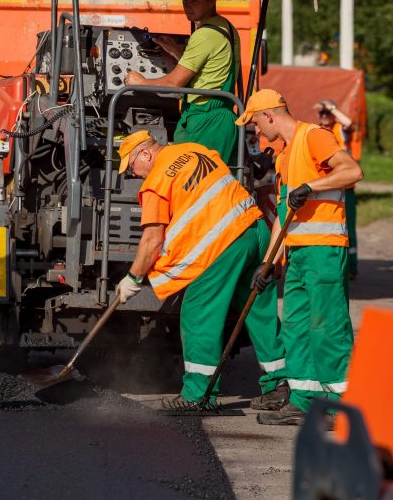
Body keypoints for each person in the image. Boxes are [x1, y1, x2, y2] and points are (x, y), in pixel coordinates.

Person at [114, 131, 289, 412]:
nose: (134, 174)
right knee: (258, 311)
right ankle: (280, 384)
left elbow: (152, 240)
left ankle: (198, 395)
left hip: (224, 244)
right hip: (255, 232)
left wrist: (133, 278)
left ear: (145, 154)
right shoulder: (195, 149)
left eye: (132, 166)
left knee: (198, 312)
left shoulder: (157, 181)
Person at [235, 90, 363, 426]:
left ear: (270, 115)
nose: (259, 133)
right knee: (296, 329)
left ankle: (339, 406)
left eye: (258, 124)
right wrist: (267, 263)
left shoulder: (313, 137)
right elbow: (281, 215)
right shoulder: (285, 156)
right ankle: (304, 401)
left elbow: (352, 171)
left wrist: (312, 186)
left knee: (328, 328)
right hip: (298, 255)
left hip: (324, 250)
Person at [125, 0, 240, 166]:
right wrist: (175, 51)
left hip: (206, 121)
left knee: (196, 182)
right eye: (185, 1)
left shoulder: (205, 35)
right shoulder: (225, 27)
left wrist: (140, 82)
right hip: (217, 118)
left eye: (194, 1)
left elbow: (174, 82)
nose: (188, 6)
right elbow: (206, 70)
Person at [315, 99, 358, 279]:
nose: (325, 117)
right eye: (322, 113)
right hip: (326, 187)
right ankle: (332, 267)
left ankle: (350, 268)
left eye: (328, 114)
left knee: (348, 228)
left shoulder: (339, 129)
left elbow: (349, 124)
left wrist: (332, 108)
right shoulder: (317, 132)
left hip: (345, 188)